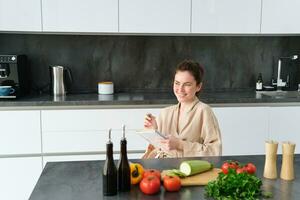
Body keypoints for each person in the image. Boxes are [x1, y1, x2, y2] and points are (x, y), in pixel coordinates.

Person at [142, 60, 222, 158]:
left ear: (198, 86)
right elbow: (157, 151)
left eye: (187, 84)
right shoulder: (165, 113)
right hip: (164, 170)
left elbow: (214, 152)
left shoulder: (204, 111)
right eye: (177, 83)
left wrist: (180, 144)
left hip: (191, 171)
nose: (180, 89)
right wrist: (154, 131)